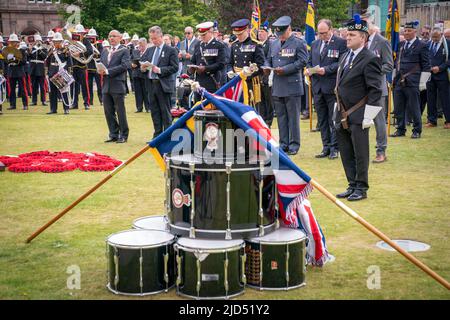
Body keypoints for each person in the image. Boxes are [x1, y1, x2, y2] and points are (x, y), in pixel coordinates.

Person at [334, 15, 382, 201]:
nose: (347, 37)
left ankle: (361, 187)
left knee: (360, 152)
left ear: (363, 37)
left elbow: (375, 90)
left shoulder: (370, 58)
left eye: (352, 35)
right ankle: (352, 184)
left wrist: (369, 116)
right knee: (346, 152)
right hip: (342, 112)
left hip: (360, 113)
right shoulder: (346, 56)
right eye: (347, 34)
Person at [264, 16, 308, 156]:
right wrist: (267, 67)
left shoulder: (299, 43)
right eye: (278, 34)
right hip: (277, 85)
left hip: (292, 85)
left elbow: (302, 61)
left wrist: (286, 69)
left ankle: (294, 144)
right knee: (281, 117)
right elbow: (269, 59)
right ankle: (283, 143)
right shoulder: (274, 43)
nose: (281, 37)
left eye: (282, 33)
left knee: (293, 117)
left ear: (289, 29)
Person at [305, 19, 348, 160]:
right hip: (317, 87)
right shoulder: (315, 43)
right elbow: (310, 61)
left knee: (333, 119)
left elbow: (341, 63)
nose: (321, 36)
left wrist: (326, 70)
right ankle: (326, 146)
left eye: (324, 33)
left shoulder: (341, 43)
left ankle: (335, 148)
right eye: (319, 33)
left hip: (332, 87)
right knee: (322, 120)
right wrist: (309, 70)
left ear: (331, 29)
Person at [362, 13, 393, 163]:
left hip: (377, 88)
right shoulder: (361, 42)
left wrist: (373, 71)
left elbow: (388, 65)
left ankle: (381, 151)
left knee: (379, 121)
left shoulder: (382, 42)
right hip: (361, 88)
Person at [391, 21, 430, 139]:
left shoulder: (422, 45)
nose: (406, 33)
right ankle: (400, 129)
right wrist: (392, 77)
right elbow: (396, 62)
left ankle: (417, 130)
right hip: (399, 81)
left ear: (415, 31)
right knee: (398, 107)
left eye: (409, 31)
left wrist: (423, 82)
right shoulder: (401, 44)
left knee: (414, 107)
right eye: (405, 31)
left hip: (413, 81)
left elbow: (426, 65)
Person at [141, 26, 179, 138]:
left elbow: (175, 67)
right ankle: (157, 135)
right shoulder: (150, 50)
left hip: (163, 84)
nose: (153, 41)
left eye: (155, 38)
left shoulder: (170, 50)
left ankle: (167, 135)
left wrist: (160, 70)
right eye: (151, 39)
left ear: (161, 36)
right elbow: (144, 63)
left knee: (165, 111)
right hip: (151, 84)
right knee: (154, 111)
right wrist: (143, 68)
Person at [98, 30, 131, 143]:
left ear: (120, 38)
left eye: (114, 36)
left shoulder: (124, 50)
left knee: (120, 111)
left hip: (117, 84)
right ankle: (113, 133)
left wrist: (108, 71)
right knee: (108, 111)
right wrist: (101, 70)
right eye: (110, 36)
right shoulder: (105, 51)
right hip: (106, 85)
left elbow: (125, 65)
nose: (111, 38)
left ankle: (123, 134)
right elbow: (102, 64)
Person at [229, 19, 265, 108]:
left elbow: (260, 65)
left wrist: (248, 73)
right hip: (236, 80)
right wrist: (230, 71)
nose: (239, 36)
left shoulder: (256, 44)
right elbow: (229, 62)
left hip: (250, 82)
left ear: (248, 30)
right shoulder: (234, 45)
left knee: (250, 107)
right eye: (236, 34)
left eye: (240, 34)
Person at [189, 22, 226, 100]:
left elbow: (221, 64)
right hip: (199, 83)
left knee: (211, 107)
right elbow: (193, 61)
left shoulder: (218, 45)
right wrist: (191, 68)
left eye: (204, 35)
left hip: (212, 82)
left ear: (210, 32)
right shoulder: (198, 45)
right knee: (198, 106)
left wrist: (205, 68)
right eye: (200, 35)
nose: (202, 37)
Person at [426, 27, 450, 129]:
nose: (434, 39)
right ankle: (432, 120)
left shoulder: (448, 44)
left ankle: (448, 120)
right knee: (430, 98)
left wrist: (440, 68)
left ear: (441, 35)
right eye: (433, 37)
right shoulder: (428, 44)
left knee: (445, 98)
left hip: (442, 75)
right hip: (430, 76)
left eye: (436, 37)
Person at [46, 32, 72, 114]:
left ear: (61, 41)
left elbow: (69, 62)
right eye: (55, 41)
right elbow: (48, 62)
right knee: (52, 92)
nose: (56, 43)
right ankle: (53, 109)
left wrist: (68, 72)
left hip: (61, 72)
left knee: (64, 91)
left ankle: (66, 109)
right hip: (52, 72)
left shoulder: (65, 50)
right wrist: (48, 72)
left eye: (58, 41)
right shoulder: (51, 50)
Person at [69, 24, 94, 110]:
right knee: (74, 86)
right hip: (73, 66)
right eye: (77, 33)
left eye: (80, 33)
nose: (79, 34)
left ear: (83, 34)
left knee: (84, 86)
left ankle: (86, 103)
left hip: (82, 66)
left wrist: (79, 53)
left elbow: (90, 51)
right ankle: (74, 103)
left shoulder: (86, 41)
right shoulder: (72, 41)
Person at [5, 34, 29, 110]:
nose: (12, 43)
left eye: (13, 42)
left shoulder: (21, 50)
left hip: (19, 72)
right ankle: (12, 105)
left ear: (17, 42)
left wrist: (14, 59)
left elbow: (24, 61)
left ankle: (25, 105)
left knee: (22, 89)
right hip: (11, 72)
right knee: (11, 90)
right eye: (11, 42)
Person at [258, 23, 274, 127]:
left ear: (267, 33)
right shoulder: (256, 44)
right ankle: (262, 118)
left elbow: (269, 59)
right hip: (258, 75)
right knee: (260, 99)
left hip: (267, 75)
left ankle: (269, 119)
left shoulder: (270, 44)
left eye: (262, 32)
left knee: (269, 99)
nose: (260, 34)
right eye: (259, 32)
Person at [131, 37, 150, 113]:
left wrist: (145, 66)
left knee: (146, 91)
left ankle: (148, 107)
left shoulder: (149, 52)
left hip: (145, 75)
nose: (140, 47)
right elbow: (130, 60)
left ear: (145, 44)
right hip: (136, 74)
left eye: (142, 46)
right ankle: (139, 107)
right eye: (139, 45)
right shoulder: (135, 52)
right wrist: (132, 64)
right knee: (137, 92)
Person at [29, 34, 48, 106]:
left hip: (40, 68)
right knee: (34, 86)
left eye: (38, 40)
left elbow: (44, 57)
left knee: (42, 86)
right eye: (36, 40)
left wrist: (40, 49)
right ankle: (34, 101)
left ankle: (43, 100)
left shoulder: (43, 48)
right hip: (33, 68)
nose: (37, 42)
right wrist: (30, 49)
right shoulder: (32, 48)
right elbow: (29, 57)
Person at [86, 28, 103, 106]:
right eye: (90, 37)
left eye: (93, 37)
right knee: (89, 86)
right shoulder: (87, 45)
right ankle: (91, 101)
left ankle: (101, 100)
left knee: (100, 85)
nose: (91, 38)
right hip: (89, 67)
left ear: (96, 37)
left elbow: (101, 54)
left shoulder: (99, 45)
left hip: (97, 67)